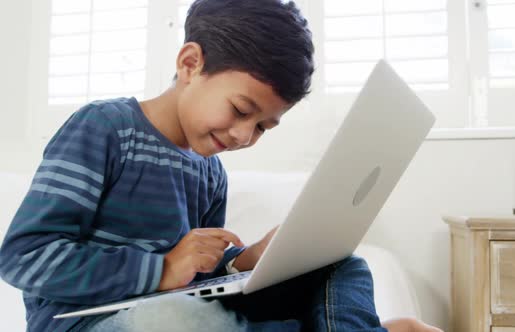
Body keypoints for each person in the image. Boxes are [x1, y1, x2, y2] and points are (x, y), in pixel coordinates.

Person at [0, 0, 443, 331]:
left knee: (342, 265)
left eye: (263, 127)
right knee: (178, 318)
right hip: (92, 322)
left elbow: (200, 276)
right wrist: (161, 270)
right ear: (191, 64)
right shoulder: (104, 129)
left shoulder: (210, 170)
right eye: (240, 109)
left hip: (183, 310)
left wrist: (243, 262)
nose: (243, 136)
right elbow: (24, 258)